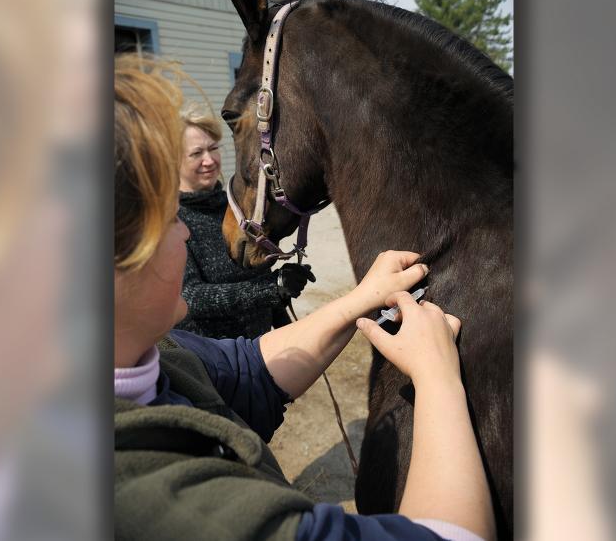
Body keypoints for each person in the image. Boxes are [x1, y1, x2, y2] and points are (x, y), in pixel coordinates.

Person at [114, 56, 496, 541]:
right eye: (168, 221)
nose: (185, 232)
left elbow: (248, 369)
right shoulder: (170, 506)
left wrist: (362, 298)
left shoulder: (150, 358)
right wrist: (439, 377)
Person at [173, 102, 313, 339]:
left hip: (255, 355)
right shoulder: (170, 220)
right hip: (210, 364)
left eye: (213, 148)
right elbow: (191, 297)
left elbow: (257, 277)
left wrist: (287, 328)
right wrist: (271, 287)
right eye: (197, 153)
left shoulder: (233, 208)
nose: (209, 160)